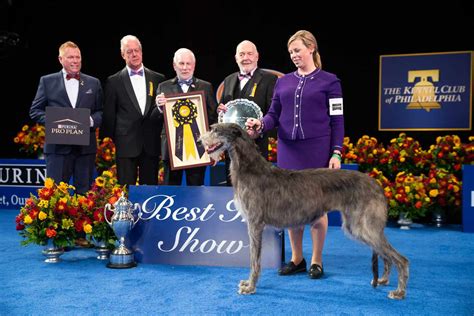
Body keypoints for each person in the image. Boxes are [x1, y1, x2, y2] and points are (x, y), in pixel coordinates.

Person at [246, 30, 344, 279]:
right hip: (288, 151)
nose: (294, 56)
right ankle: (297, 258)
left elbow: (337, 121)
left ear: (311, 48)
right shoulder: (283, 81)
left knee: (317, 208)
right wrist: (261, 124)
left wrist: (336, 152)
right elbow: (273, 115)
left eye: (297, 50)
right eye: (291, 52)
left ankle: (316, 260)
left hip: (317, 152)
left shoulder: (330, 81)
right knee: (291, 207)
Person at [30, 41, 103, 195]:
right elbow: (35, 111)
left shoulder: (93, 83)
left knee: (85, 195)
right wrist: (56, 121)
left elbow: (100, 112)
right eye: (70, 57)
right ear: (60, 59)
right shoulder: (47, 81)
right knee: (55, 195)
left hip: (85, 149)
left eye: (78, 57)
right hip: (57, 149)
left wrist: (90, 121)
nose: (75, 61)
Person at [101, 35, 165, 186]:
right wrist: (113, 140)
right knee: (125, 191)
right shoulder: (113, 81)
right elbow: (109, 115)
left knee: (150, 192)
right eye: (129, 51)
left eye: (137, 50)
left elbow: (162, 112)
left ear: (141, 52)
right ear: (123, 55)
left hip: (151, 143)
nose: (134, 54)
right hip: (125, 144)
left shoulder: (158, 78)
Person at [218, 40, 277, 185]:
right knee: (232, 189)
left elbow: (273, 112)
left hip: (257, 148)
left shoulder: (270, 79)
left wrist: (259, 129)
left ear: (257, 56)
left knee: (258, 191)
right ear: (236, 58)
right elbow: (226, 111)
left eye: (250, 54)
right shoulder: (229, 80)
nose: (246, 58)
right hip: (232, 149)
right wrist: (220, 111)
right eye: (242, 54)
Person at [155, 48, 217, 185]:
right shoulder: (163, 87)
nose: (185, 67)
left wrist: (213, 145)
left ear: (194, 66)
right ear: (174, 65)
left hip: (198, 150)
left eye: (188, 64)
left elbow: (213, 118)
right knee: (170, 193)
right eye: (181, 63)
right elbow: (153, 118)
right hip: (172, 151)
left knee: (196, 193)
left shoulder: (206, 87)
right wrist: (159, 108)